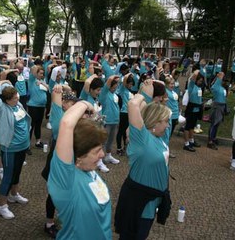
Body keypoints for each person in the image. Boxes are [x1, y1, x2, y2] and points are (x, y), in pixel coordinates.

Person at [114, 82, 172, 240]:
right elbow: (133, 104)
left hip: (152, 202)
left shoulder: (159, 139)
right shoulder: (142, 139)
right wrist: (144, 93)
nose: (168, 125)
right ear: (155, 122)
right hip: (139, 203)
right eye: (166, 121)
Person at [48, 100, 111, 239]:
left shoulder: (88, 169)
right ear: (79, 156)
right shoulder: (66, 179)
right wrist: (84, 103)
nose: (102, 155)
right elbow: (66, 124)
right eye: (97, 151)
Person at [41, 84, 79, 238]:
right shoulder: (58, 116)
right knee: (54, 193)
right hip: (57, 161)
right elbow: (56, 96)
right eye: (71, 103)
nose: (75, 106)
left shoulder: (72, 115)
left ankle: (66, 216)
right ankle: (49, 223)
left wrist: (64, 86)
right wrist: (57, 89)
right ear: (63, 104)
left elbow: (70, 93)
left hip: (71, 160)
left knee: (70, 191)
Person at [0, 80, 31, 220]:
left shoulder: (17, 104)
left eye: (17, 96)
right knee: (8, 176)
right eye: (14, 98)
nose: (17, 98)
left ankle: (14, 195)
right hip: (10, 148)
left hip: (22, 146)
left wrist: (9, 86)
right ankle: (1, 206)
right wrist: (1, 82)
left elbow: (13, 94)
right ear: (6, 100)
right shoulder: (1, 108)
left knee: (17, 172)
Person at [99, 75, 121, 168]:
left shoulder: (115, 94)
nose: (116, 87)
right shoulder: (104, 93)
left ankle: (108, 156)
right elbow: (106, 85)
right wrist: (112, 78)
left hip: (115, 121)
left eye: (117, 86)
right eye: (115, 86)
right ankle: (99, 160)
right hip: (107, 121)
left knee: (111, 140)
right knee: (103, 140)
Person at [27, 65, 48, 151]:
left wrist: (42, 83)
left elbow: (49, 89)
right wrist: (35, 67)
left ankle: (38, 142)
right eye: (40, 73)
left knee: (38, 124)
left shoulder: (43, 81)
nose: (41, 75)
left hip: (41, 106)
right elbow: (32, 71)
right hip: (33, 106)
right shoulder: (32, 80)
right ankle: (27, 145)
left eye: (43, 74)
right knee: (31, 125)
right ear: (36, 73)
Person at [183, 70, 204, 152]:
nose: (200, 82)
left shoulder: (199, 87)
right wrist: (197, 72)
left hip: (197, 110)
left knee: (192, 126)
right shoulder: (191, 86)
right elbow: (193, 78)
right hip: (191, 109)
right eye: (199, 81)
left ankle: (191, 140)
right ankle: (186, 144)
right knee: (187, 127)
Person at [207, 72, 229, 150]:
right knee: (214, 123)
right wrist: (220, 76)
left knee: (217, 124)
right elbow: (219, 79)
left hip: (222, 107)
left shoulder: (223, 88)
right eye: (223, 80)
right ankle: (210, 141)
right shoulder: (216, 86)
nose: (224, 82)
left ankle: (213, 138)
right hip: (217, 106)